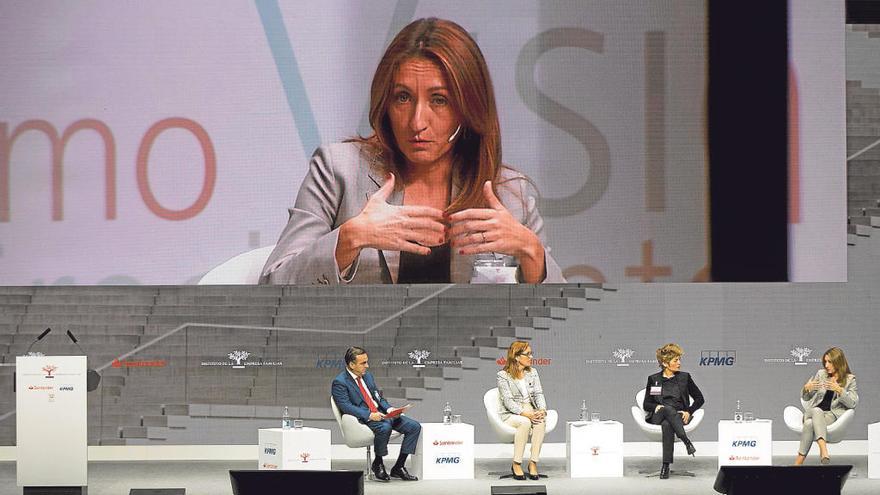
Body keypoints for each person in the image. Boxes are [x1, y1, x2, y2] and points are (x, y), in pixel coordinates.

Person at [260, 17, 564, 285]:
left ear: (468, 108)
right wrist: (349, 239)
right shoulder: (337, 171)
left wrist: (531, 253)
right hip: (359, 349)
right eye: (403, 98)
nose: (417, 122)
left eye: (439, 100)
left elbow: (567, 325)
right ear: (385, 103)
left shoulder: (509, 194)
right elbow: (274, 283)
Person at [331, 346, 421, 481]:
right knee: (385, 427)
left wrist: (390, 410)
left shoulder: (368, 377)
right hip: (364, 418)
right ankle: (378, 463)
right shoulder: (340, 382)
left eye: (367, 361)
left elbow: (378, 398)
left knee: (414, 426)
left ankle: (399, 467)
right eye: (363, 363)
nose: (367, 366)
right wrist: (369, 415)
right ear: (351, 364)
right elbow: (345, 406)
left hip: (382, 414)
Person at [642, 343, 704, 479]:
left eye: (679, 359)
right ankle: (686, 440)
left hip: (679, 417)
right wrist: (655, 407)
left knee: (667, 425)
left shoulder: (684, 378)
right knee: (667, 409)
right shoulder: (655, 380)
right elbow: (646, 404)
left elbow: (700, 398)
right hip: (659, 415)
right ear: (665, 363)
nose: (679, 363)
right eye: (676, 360)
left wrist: (689, 411)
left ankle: (666, 465)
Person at [794, 347, 858, 465]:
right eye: (825, 362)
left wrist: (840, 390)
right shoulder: (821, 374)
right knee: (816, 411)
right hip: (811, 412)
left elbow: (853, 403)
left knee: (809, 424)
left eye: (830, 362)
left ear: (838, 362)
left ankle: (798, 463)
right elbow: (807, 398)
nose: (826, 365)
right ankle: (823, 450)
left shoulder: (850, 380)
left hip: (829, 416)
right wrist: (806, 389)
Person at [496, 341, 548, 480]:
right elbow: (508, 401)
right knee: (524, 422)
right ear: (517, 357)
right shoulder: (503, 375)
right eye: (528, 354)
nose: (531, 357)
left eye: (531, 353)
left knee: (541, 421)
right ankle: (516, 463)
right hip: (511, 413)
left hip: (530, 409)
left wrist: (542, 409)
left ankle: (533, 463)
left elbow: (538, 394)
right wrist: (526, 414)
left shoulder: (533, 372)